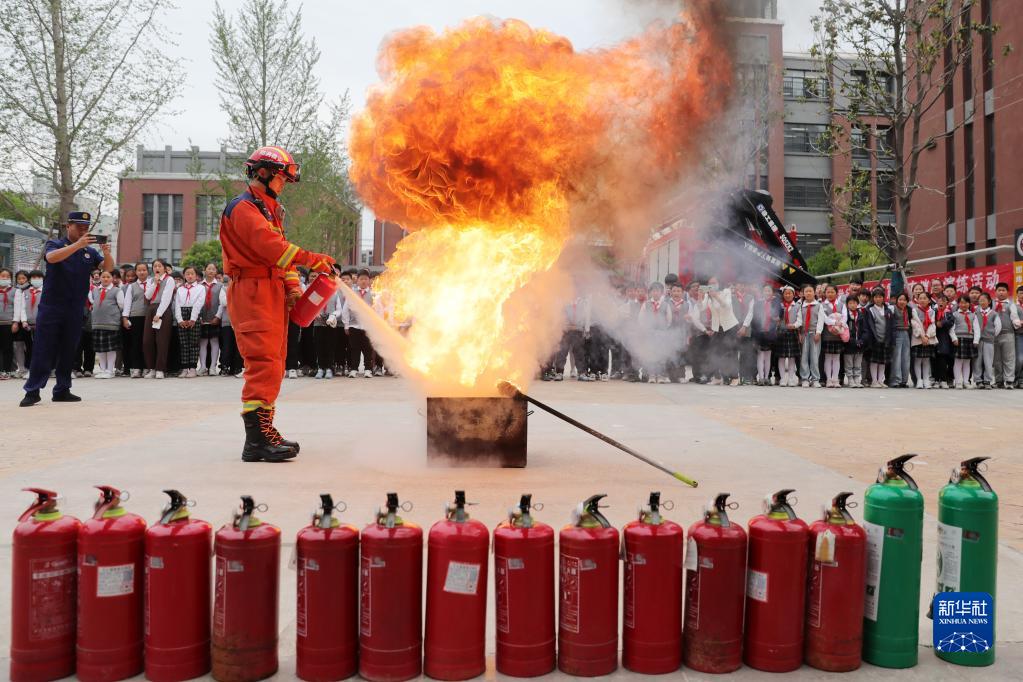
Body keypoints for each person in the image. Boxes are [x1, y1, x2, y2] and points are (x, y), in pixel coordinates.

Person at [219, 145, 335, 462]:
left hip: (269, 289)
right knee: (262, 363)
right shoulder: (243, 208)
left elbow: (281, 262)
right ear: (264, 173)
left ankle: (266, 432)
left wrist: (294, 287)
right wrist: (315, 261)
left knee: (275, 363)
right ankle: (256, 441)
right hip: (253, 291)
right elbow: (274, 249)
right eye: (282, 178)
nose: (284, 184)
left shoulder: (266, 208)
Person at [20, 211, 114, 407]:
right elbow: (52, 258)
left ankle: (62, 389)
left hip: (75, 307)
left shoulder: (89, 251)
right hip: (52, 307)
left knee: (68, 350)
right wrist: (77, 245)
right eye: (79, 226)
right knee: (43, 349)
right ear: (68, 226)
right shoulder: (56, 244)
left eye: (86, 228)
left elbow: (107, 269)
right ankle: (33, 390)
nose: (83, 230)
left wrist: (106, 252)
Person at [142, 259, 175, 379]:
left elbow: (166, 297)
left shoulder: (169, 279)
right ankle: (151, 368)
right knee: (147, 340)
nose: (157, 268)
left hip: (163, 310)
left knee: (162, 341)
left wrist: (159, 313)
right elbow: (147, 296)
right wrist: (155, 283)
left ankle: (160, 368)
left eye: (159, 266)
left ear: (164, 268)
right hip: (151, 309)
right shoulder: (151, 280)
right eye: (155, 266)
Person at [89, 269, 124, 379]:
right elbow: (92, 302)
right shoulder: (95, 290)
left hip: (111, 323)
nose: (105, 279)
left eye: (108, 277)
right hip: (97, 323)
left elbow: (121, 305)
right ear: (99, 278)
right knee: (100, 348)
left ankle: (110, 370)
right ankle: (103, 369)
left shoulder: (117, 290)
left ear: (112, 278)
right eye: (103, 277)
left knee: (110, 348)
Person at [343, 269, 377, 379]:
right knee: (354, 349)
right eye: (361, 279)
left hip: (368, 327)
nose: (363, 281)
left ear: (369, 281)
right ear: (357, 280)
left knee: (368, 349)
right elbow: (345, 309)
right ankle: (354, 369)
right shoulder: (352, 293)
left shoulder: (373, 294)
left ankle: (368, 369)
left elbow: (377, 311)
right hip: (354, 326)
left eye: (365, 279)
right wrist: (346, 325)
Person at [121, 262, 149, 378]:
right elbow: (127, 303)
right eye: (139, 270)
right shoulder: (131, 286)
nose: (142, 272)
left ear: (148, 271)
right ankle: (136, 368)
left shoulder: (153, 283)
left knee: (147, 343)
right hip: (135, 317)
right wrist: (125, 318)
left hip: (149, 317)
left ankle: (147, 367)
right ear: (136, 272)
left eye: (144, 270)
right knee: (136, 343)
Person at [174, 266, 203, 378]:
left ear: (196, 276)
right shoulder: (180, 289)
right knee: (183, 343)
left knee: (194, 343)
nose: (190, 276)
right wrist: (180, 319)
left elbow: (199, 303)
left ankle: (192, 368)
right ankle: (185, 368)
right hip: (182, 313)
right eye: (187, 274)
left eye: (192, 274)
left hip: (194, 314)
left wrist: (193, 319)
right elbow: (177, 304)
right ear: (184, 276)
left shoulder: (200, 288)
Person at [991, 282, 1020, 389]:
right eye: (999, 290)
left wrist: (1018, 323)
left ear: (1008, 292)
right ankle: (999, 380)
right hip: (994, 335)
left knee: (1009, 358)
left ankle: (1009, 381)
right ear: (995, 292)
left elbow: (1014, 317)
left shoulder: (1011, 304)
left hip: (1008, 334)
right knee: (996, 359)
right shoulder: (992, 304)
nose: (1001, 292)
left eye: (1003, 290)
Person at [198, 263, 223, 376]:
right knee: (202, 342)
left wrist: (218, 316)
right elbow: (196, 302)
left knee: (214, 341)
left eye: (213, 269)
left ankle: (212, 367)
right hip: (202, 318)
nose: (211, 271)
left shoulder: (220, 286)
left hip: (215, 318)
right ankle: (203, 366)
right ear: (204, 270)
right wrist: (198, 317)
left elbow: (222, 303)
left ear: (216, 272)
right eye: (209, 268)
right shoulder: (199, 285)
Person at [863, 287, 892, 388]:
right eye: (876, 297)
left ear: (883, 298)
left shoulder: (888, 310)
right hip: (874, 339)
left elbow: (890, 325)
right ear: (873, 298)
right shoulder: (869, 310)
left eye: (880, 297)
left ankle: (881, 380)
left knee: (882, 362)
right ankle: (874, 381)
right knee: (874, 361)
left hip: (885, 339)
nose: (878, 299)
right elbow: (868, 325)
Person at [751, 284, 779, 386]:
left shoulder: (775, 303)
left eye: (769, 291)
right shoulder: (758, 303)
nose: (767, 292)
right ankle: (761, 378)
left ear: (772, 293)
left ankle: (767, 377)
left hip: (770, 333)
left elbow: (779, 315)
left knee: (768, 356)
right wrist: (755, 333)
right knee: (760, 356)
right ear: (762, 292)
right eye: (765, 291)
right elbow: (754, 319)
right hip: (760, 333)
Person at [820, 284, 845, 388]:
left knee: (836, 358)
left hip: (838, 334)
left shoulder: (841, 304)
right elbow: (824, 319)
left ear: (836, 293)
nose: (830, 294)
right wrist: (835, 322)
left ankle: (835, 379)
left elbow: (845, 317)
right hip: (827, 335)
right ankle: (828, 379)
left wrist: (840, 324)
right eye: (828, 292)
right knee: (828, 357)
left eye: (832, 292)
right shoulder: (822, 304)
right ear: (825, 293)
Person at [951, 295, 979, 389]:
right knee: (958, 362)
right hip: (959, 340)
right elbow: (951, 328)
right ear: (958, 304)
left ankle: (966, 381)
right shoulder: (955, 314)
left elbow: (976, 328)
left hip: (969, 340)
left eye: (966, 302)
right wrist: (954, 338)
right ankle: (958, 381)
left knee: (967, 362)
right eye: (961, 302)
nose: (964, 305)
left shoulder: (973, 315)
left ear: (969, 304)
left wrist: (976, 340)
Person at [776, 285, 801, 387]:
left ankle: (791, 378)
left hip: (792, 332)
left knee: (792, 358)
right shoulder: (779, 306)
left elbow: (800, 320)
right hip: (781, 332)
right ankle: (783, 379)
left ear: (793, 294)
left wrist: (794, 325)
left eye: (790, 293)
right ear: (783, 295)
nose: (787, 295)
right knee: (781, 357)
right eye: (786, 293)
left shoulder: (797, 305)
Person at [798, 284, 823, 388]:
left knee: (814, 357)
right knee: (804, 357)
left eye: (810, 291)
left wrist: (818, 332)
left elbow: (820, 321)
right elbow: (799, 321)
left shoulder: (818, 305)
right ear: (803, 293)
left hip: (814, 334)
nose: (808, 293)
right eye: (806, 291)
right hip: (804, 334)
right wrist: (799, 333)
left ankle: (815, 379)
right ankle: (805, 378)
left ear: (814, 293)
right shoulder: (800, 305)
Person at [910, 291, 936, 389]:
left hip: (928, 339)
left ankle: (926, 380)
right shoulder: (914, 310)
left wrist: (928, 336)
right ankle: (919, 380)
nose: (922, 300)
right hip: (918, 338)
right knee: (917, 360)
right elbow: (915, 323)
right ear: (917, 299)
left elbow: (932, 324)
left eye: (925, 298)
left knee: (926, 360)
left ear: (929, 300)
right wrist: (922, 335)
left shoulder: (932, 311)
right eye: (920, 298)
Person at [217, 275, 242, 377]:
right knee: (226, 345)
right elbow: (223, 302)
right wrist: (236, 300)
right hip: (227, 321)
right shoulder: (224, 288)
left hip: (240, 321)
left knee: (239, 346)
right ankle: (225, 366)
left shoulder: (242, 287)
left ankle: (238, 367)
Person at [975, 292, 1000, 389]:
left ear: (989, 301)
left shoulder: (994, 314)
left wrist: (991, 336)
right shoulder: (976, 313)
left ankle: (988, 380)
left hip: (989, 340)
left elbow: (998, 327)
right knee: (977, 360)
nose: (981, 302)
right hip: (978, 340)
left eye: (983, 300)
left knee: (988, 361)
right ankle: (978, 380)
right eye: (980, 300)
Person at [843, 294, 867, 388]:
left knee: (858, 363)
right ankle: (850, 379)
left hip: (860, 343)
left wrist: (862, 340)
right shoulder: (846, 315)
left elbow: (865, 329)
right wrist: (852, 341)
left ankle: (857, 379)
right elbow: (844, 330)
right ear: (847, 304)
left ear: (857, 303)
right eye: (850, 303)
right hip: (849, 344)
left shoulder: (861, 314)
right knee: (849, 363)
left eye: (854, 303)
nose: (853, 305)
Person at [890, 292, 913, 388]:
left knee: (905, 357)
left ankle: (904, 380)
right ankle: (896, 381)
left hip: (906, 333)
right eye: (900, 299)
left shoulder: (909, 310)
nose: (902, 302)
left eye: (904, 300)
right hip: (897, 333)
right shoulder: (892, 308)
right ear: (896, 300)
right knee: (897, 357)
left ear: (907, 301)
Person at [11, 270, 31, 377]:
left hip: (28, 322)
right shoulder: (15, 290)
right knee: (18, 345)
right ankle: (21, 368)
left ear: (28, 279)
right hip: (16, 321)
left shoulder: (30, 290)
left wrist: (24, 320)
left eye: (23, 278)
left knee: (29, 345)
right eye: (19, 279)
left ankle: (28, 368)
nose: (21, 280)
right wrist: (15, 321)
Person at [0, 268, 15, 378]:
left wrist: (15, 322)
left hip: (8, 323)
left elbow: (17, 308)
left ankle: (7, 370)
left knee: (7, 347)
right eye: (2, 276)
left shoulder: (15, 291)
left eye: (7, 276)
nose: (4, 278)